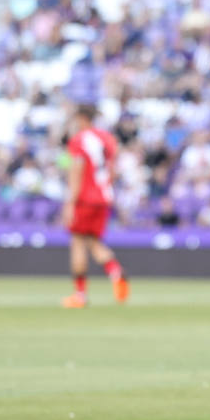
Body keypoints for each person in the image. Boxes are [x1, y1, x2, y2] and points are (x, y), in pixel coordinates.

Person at [61, 104, 130, 308]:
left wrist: (70, 203)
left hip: (85, 198)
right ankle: (116, 272)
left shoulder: (79, 140)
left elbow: (77, 171)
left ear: (82, 118)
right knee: (93, 241)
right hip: (104, 197)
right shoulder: (108, 139)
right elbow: (113, 170)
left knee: (78, 242)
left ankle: (79, 295)